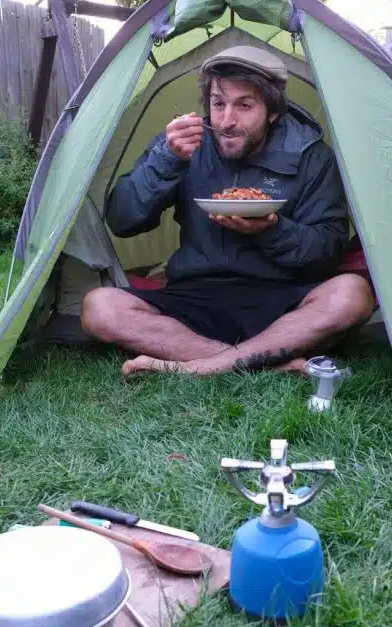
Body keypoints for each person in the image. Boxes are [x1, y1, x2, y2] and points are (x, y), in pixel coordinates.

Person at [81, 45, 375, 379]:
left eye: (244, 106)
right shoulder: (182, 145)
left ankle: (195, 366)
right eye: (218, 103)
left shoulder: (313, 157)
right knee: (98, 307)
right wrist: (167, 160)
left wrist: (270, 230)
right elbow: (121, 220)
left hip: (280, 298)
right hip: (196, 295)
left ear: (273, 111)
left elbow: (328, 248)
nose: (226, 121)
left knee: (352, 294)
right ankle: (269, 364)